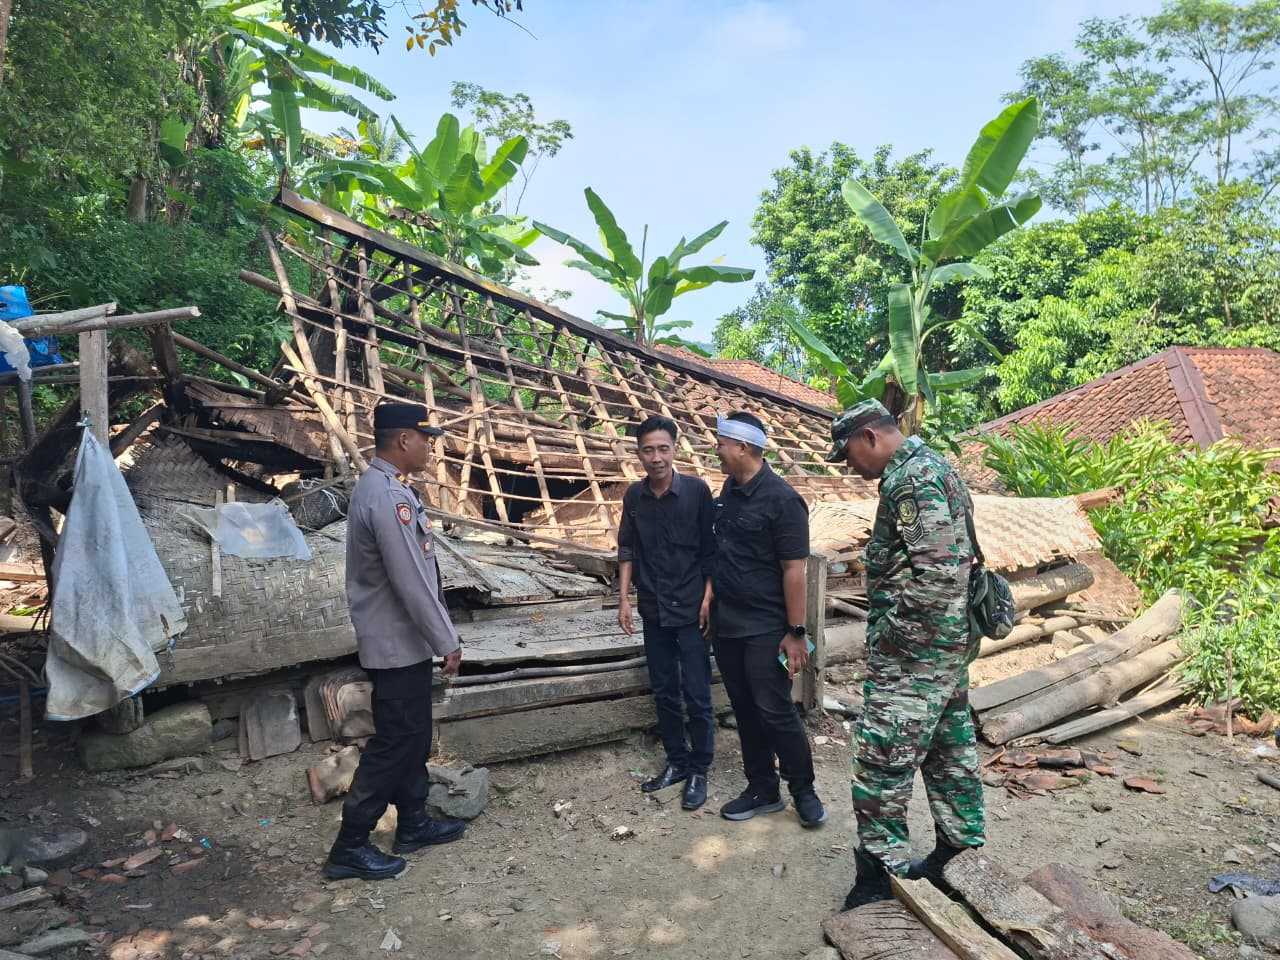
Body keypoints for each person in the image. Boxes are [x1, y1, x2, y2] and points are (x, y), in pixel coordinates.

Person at [826, 399, 985, 910]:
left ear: (870, 437)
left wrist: (890, 636)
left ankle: (881, 876)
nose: (850, 466)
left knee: (879, 763)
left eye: (848, 453)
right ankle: (959, 857)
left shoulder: (908, 480)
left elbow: (939, 574)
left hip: (915, 656)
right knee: (948, 751)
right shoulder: (937, 467)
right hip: (946, 647)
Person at [324, 402, 466, 882]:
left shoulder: (388, 490)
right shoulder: (386, 497)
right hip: (395, 643)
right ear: (404, 440)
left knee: (413, 737)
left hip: (402, 643)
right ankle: (350, 845)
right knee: (395, 744)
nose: (429, 446)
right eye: (425, 438)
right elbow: (411, 581)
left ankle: (415, 822)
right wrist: (447, 639)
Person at [710, 411, 826, 828]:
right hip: (727, 626)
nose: (717, 450)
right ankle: (762, 789)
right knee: (744, 709)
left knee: (774, 709)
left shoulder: (782, 500)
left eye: (722, 443)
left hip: (766, 628)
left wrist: (796, 633)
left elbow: (794, 569)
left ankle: (804, 790)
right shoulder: (726, 492)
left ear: (742, 447)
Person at [616, 415, 717, 810]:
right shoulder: (634, 497)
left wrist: (709, 597)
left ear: (675, 448)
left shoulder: (697, 492)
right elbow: (627, 549)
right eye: (647, 450)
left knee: (696, 692)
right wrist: (624, 598)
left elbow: (710, 552)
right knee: (664, 690)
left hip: (693, 611)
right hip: (654, 609)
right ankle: (676, 761)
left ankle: (700, 769)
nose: (655, 457)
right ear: (638, 453)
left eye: (663, 448)